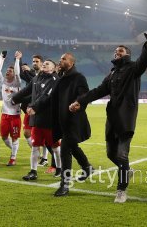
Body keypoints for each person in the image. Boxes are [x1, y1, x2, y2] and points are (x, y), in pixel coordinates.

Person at [71, 41, 147, 203]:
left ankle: (121, 190)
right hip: (112, 119)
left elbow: (143, 61)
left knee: (122, 155)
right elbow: (98, 91)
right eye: (116, 51)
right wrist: (80, 101)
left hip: (126, 119)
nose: (117, 52)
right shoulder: (112, 73)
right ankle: (127, 170)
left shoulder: (133, 69)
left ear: (127, 54)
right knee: (111, 154)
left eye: (121, 51)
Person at [45, 53, 94, 197]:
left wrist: (78, 103)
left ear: (71, 63)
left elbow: (84, 95)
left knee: (65, 149)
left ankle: (64, 185)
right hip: (62, 120)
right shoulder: (61, 78)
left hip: (73, 120)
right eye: (60, 59)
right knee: (72, 146)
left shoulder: (79, 77)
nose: (60, 60)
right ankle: (87, 167)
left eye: (64, 59)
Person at [12, 59, 61, 181]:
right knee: (35, 146)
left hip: (50, 120)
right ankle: (33, 171)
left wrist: (34, 107)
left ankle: (60, 168)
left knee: (55, 147)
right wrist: (15, 98)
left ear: (54, 68)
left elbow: (46, 96)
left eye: (48, 64)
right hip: (37, 119)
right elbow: (26, 90)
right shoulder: (37, 78)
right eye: (44, 63)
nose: (44, 64)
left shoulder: (55, 80)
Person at [20, 55, 54, 170]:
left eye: (37, 61)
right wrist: (18, 60)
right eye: (33, 61)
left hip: (43, 111)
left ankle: (49, 161)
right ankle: (41, 161)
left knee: (50, 140)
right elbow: (23, 78)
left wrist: (30, 72)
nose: (34, 63)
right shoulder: (33, 76)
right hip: (31, 109)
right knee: (29, 134)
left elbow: (43, 93)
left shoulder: (48, 77)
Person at [0, 51, 23, 166]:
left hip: (15, 115)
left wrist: (17, 60)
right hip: (5, 114)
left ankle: (13, 157)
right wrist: (1, 57)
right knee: (4, 137)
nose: (7, 72)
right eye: (7, 70)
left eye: (10, 71)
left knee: (15, 137)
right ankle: (14, 150)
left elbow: (17, 73)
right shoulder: (3, 81)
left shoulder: (17, 83)